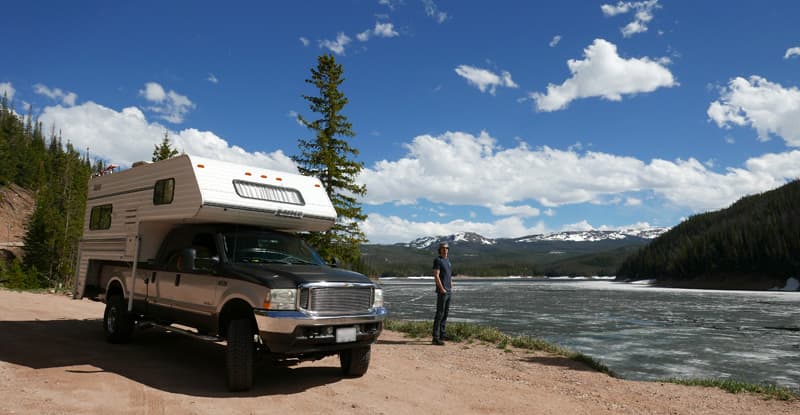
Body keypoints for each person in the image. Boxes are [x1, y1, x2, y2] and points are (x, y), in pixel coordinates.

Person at [432, 242, 453, 345]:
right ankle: (435, 338)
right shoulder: (438, 260)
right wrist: (441, 288)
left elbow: (449, 275)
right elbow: (436, 275)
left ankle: (442, 334)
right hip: (442, 291)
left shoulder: (448, 261)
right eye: (443, 248)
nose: (445, 250)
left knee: (445, 313)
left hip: (449, 290)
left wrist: (451, 284)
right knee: (439, 314)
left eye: (446, 248)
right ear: (439, 250)